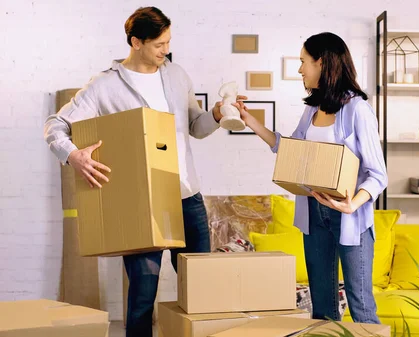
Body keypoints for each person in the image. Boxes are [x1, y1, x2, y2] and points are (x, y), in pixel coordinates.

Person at [43, 7, 247, 337]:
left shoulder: (176, 75)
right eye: (158, 45)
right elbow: (55, 125)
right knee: (142, 295)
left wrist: (219, 114)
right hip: (143, 204)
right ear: (136, 42)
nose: (165, 51)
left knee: (200, 290)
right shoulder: (104, 86)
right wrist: (73, 156)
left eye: (168, 43)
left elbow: (195, 126)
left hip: (187, 197)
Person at [240, 32, 387, 323]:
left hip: (349, 216)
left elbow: (377, 174)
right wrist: (251, 121)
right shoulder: (311, 110)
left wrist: (351, 205)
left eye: (303, 62)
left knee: (362, 308)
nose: (300, 70)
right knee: (321, 308)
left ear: (321, 63)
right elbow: (290, 150)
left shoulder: (358, 110)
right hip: (314, 213)